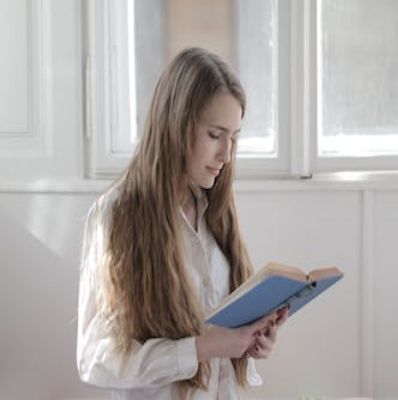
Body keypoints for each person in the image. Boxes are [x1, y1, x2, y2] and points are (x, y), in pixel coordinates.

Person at [77, 47, 289, 399]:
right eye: (214, 135)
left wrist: (249, 341)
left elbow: (221, 346)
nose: (226, 155)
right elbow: (96, 358)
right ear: (176, 125)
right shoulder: (116, 215)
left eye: (234, 137)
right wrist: (202, 347)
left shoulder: (214, 208)